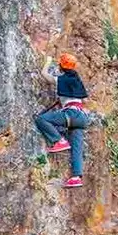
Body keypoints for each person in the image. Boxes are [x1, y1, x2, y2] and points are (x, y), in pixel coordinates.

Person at [35, 52, 91, 188]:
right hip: (82, 117)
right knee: (77, 148)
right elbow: (81, 99)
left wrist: (47, 61)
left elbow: (44, 75)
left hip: (71, 113)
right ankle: (76, 177)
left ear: (61, 66)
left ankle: (58, 140)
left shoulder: (62, 79)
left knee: (41, 119)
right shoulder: (76, 80)